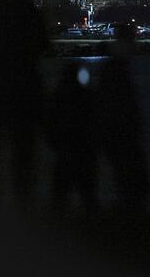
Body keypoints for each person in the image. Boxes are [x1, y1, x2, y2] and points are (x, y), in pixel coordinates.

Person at [0, 0, 48, 208]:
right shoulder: (26, 10)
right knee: (24, 152)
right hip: (24, 89)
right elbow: (43, 45)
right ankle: (25, 207)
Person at [96, 24, 150, 212]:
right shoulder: (118, 69)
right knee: (130, 175)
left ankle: (125, 210)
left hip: (114, 130)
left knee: (124, 174)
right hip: (121, 131)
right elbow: (123, 103)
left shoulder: (113, 67)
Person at [47, 62, 99, 214]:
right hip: (84, 151)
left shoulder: (58, 97)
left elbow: (50, 125)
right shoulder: (88, 96)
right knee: (88, 193)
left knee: (61, 194)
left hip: (65, 151)